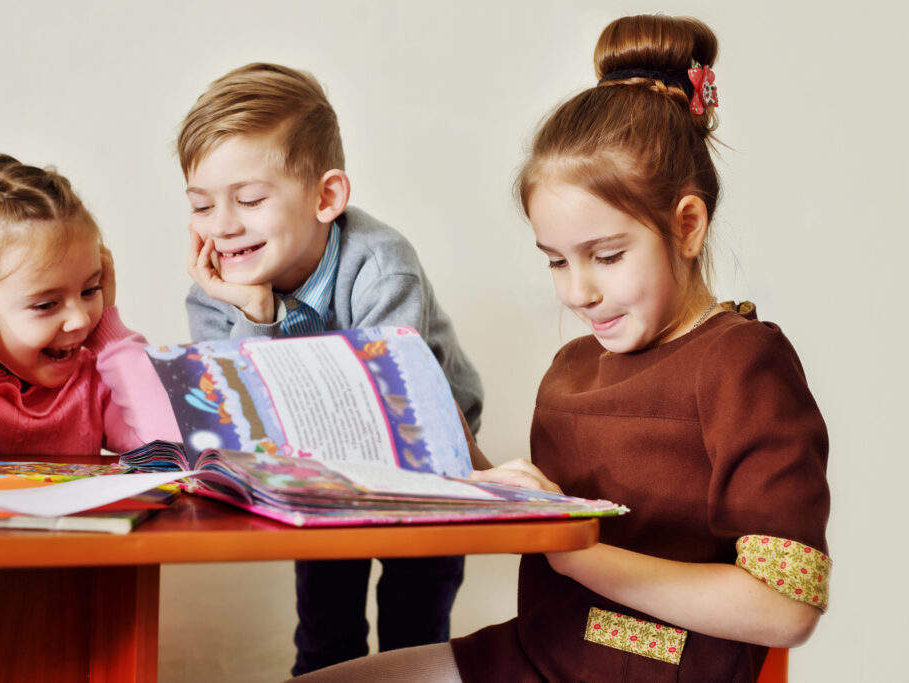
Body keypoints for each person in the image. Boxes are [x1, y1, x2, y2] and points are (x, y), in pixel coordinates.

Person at [289, 14, 831, 682]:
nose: (579, 292)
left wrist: (580, 553)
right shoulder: (572, 368)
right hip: (538, 653)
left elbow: (787, 608)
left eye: (605, 256)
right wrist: (460, 458)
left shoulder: (743, 363)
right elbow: (551, 520)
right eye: (555, 261)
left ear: (686, 226)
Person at [177, 63, 485, 676]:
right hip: (315, 466)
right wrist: (255, 314)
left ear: (326, 197)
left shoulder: (382, 266)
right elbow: (238, 420)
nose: (223, 226)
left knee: (414, 625)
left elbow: (394, 396)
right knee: (325, 625)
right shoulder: (216, 287)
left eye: (250, 199)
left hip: (423, 456)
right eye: (202, 205)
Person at [0, 154, 181, 454]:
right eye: (46, 305)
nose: (80, 319)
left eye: (90, 289)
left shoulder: (95, 380)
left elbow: (177, 444)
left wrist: (109, 331)